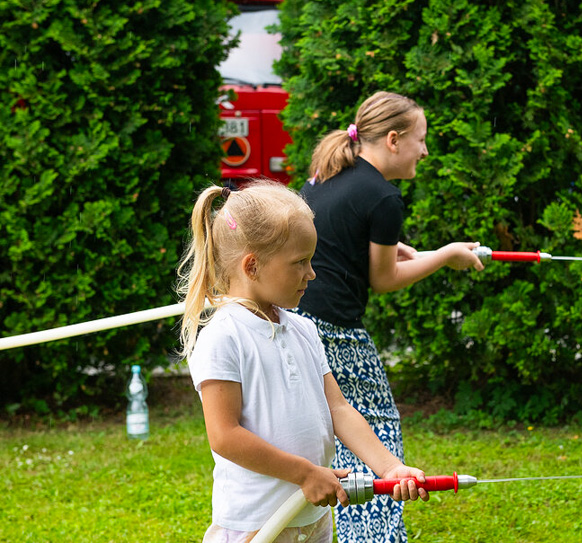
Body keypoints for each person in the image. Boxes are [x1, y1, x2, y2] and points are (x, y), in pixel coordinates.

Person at [177, 181, 429, 543]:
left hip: (311, 517)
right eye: (300, 262)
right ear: (252, 266)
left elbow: (338, 409)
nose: (312, 273)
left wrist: (390, 467)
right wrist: (305, 474)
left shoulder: (303, 329)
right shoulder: (223, 337)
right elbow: (225, 436)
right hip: (257, 524)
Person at [297, 92, 485, 542]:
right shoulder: (383, 196)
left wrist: (386, 246)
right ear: (395, 140)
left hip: (296, 320)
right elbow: (383, 279)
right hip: (334, 331)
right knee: (376, 426)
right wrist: (445, 256)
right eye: (421, 140)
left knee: (333, 431)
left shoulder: (328, 175)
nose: (425, 150)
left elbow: (332, 238)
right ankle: (374, 535)